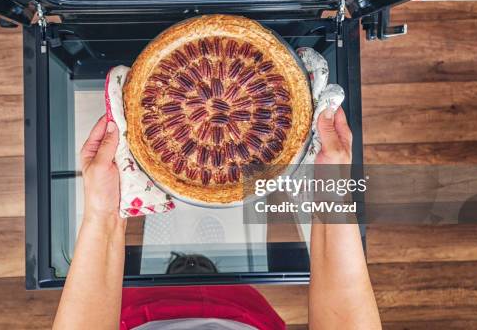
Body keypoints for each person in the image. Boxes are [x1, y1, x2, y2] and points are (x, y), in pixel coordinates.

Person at [53, 108, 382, 329]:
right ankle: (196, 265)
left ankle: (182, 258)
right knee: (217, 282)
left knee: (148, 232)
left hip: (145, 314)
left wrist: (104, 212)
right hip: (241, 315)